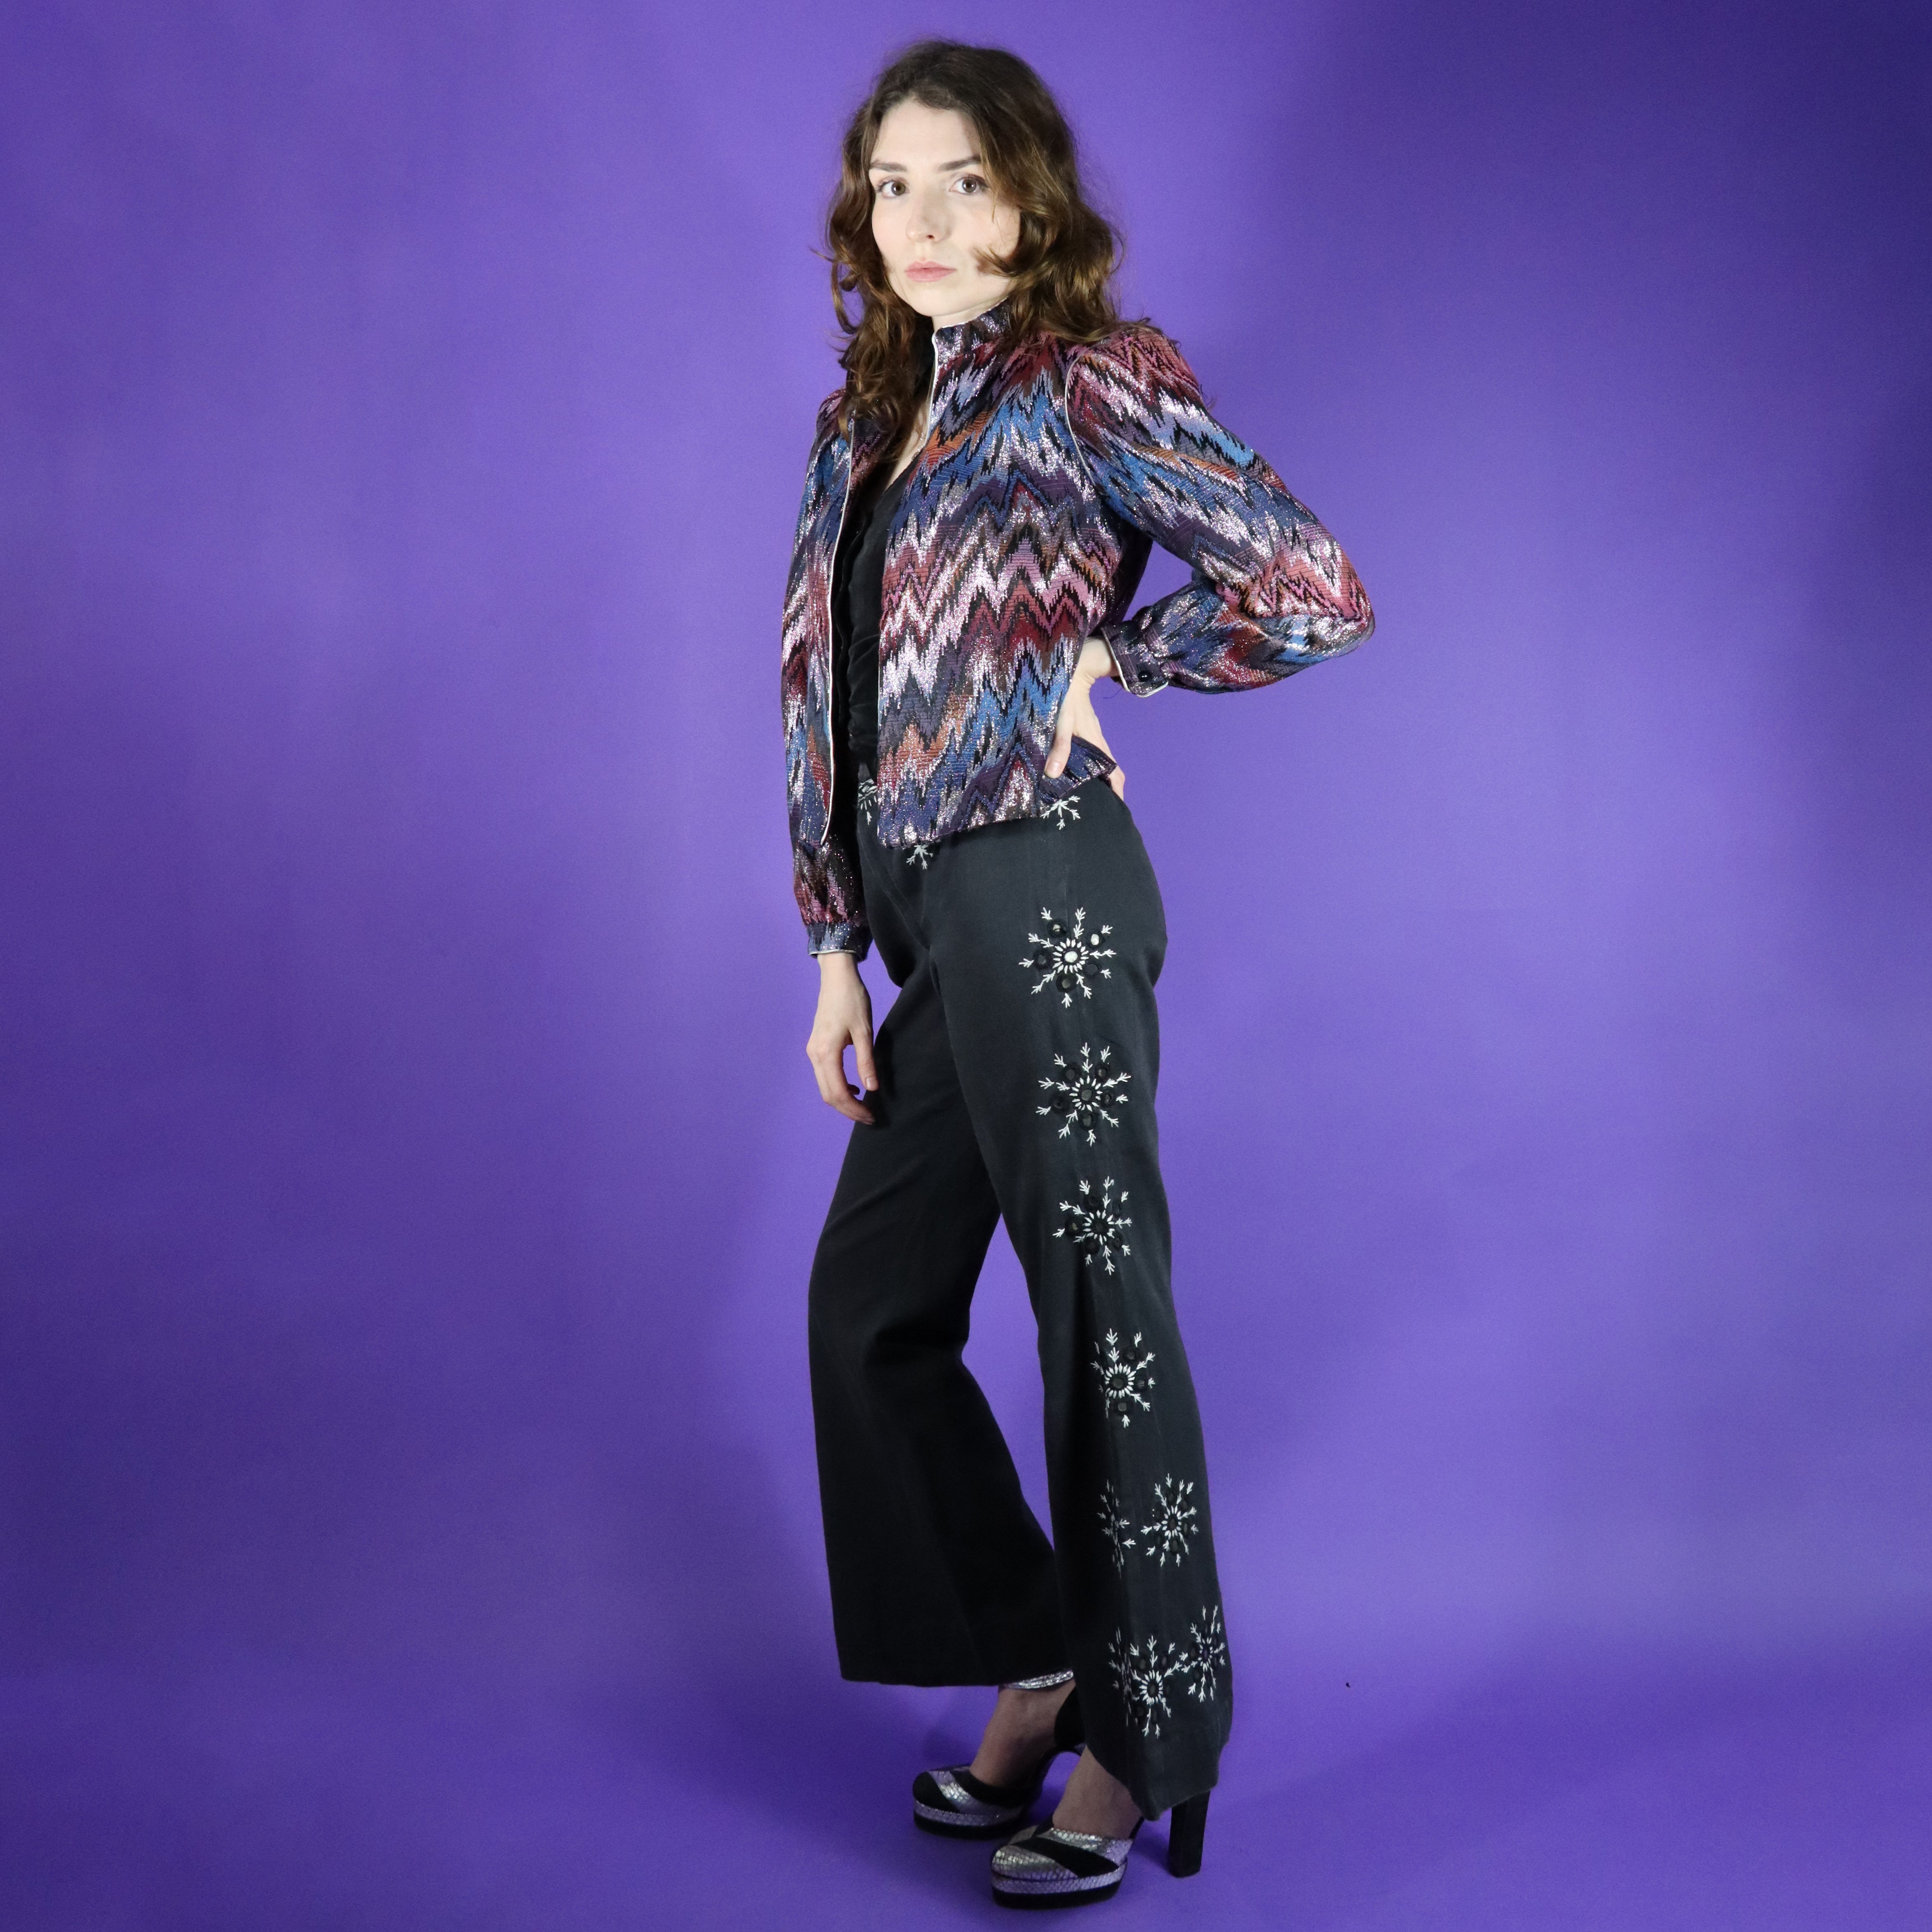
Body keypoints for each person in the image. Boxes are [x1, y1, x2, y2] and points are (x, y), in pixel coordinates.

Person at [779, 39, 1373, 1911]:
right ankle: (1036, 1651)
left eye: (963, 181)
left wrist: (1111, 662)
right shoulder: (861, 423)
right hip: (922, 925)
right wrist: (831, 947)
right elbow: (817, 696)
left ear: (1030, 197)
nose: (924, 220)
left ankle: (1139, 1739)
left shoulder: (1086, 381)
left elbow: (1309, 586)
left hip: (1044, 892)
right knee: (869, 1313)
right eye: (893, 184)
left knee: (1096, 1318)